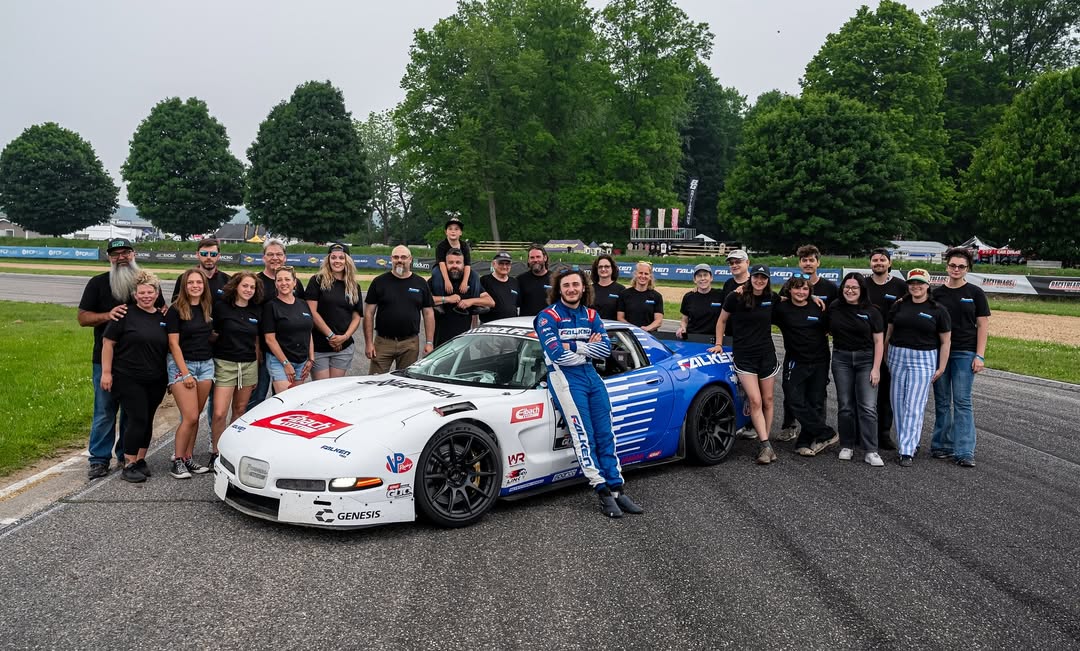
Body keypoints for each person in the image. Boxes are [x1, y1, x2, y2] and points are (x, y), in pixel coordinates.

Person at [534, 269, 643, 518]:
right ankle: (602, 491)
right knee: (585, 436)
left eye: (576, 284)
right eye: (566, 285)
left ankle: (617, 489)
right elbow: (556, 354)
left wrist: (573, 345)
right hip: (564, 378)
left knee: (606, 434)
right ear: (558, 290)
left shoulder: (592, 315)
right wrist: (586, 347)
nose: (571, 289)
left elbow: (605, 350)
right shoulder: (546, 317)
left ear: (584, 287)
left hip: (592, 377)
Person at [77, 237, 163, 479]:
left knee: (132, 413)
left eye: (125, 252)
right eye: (116, 254)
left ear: (134, 254)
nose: (121, 257)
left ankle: (128, 455)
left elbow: (161, 312)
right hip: (106, 360)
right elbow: (82, 318)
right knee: (105, 410)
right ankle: (98, 459)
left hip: (139, 364)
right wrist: (108, 315)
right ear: (109, 257)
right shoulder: (98, 283)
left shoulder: (145, 283)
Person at [100, 271, 169, 483]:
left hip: (156, 378)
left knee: (147, 419)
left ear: (157, 293)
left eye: (150, 292)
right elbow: (108, 344)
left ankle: (140, 459)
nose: (146, 296)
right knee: (137, 418)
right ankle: (128, 462)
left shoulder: (163, 318)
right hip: (128, 377)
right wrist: (106, 372)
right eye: (142, 293)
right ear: (135, 294)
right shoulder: (125, 315)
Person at [709, 264, 781, 464]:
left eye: (763, 278)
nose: (759, 281)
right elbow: (722, 320)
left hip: (766, 355)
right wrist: (718, 343)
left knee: (767, 400)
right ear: (751, 277)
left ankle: (764, 444)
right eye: (756, 277)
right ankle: (766, 445)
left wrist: (813, 298)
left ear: (768, 279)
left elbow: (794, 298)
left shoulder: (772, 298)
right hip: (744, 356)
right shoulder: (735, 297)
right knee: (755, 400)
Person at [885, 269, 952, 467]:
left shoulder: (938, 309)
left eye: (920, 283)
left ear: (928, 285)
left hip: (924, 357)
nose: (916, 286)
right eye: (912, 283)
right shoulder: (898, 305)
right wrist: (885, 357)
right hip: (897, 354)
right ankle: (907, 442)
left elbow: (945, 342)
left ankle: (906, 450)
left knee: (913, 404)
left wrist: (941, 366)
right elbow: (889, 333)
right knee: (897, 403)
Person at [931, 247, 990, 468]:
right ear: (947, 267)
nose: (956, 269)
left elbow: (983, 325)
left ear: (967, 269)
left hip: (965, 353)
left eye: (961, 266)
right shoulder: (936, 294)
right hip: (940, 353)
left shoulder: (975, 293)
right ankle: (941, 445)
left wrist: (980, 356)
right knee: (943, 401)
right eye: (953, 265)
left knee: (963, 402)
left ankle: (964, 451)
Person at [777, 244, 840, 441]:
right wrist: (810, 294)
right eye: (804, 260)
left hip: (818, 347)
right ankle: (789, 426)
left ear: (818, 262)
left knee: (817, 394)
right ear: (800, 263)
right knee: (792, 393)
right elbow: (781, 300)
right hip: (795, 348)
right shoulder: (792, 284)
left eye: (811, 260)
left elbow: (836, 310)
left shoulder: (829, 287)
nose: (808, 263)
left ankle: (816, 432)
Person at [771, 275, 838, 458]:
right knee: (793, 399)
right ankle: (825, 432)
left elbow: (830, 329)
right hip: (795, 360)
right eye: (797, 288)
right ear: (789, 290)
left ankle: (803, 442)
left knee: (815, 402)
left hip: (819, 360)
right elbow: (762, 304)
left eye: (805, 289)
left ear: (810, 292)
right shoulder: (781, 308)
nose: (801, 292)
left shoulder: (818, 307)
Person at [829, 273, 885, 466]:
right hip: (841, 359)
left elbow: (879, 341)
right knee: (845, 405)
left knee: (868, 406)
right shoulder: (834, 307)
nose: (850, 290)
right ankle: (847, 445)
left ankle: (871, 450)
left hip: (866, 360)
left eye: (854, 287)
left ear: (861, 290)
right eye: (847, 287)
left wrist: (876, 368)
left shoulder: (872, 311)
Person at [165, 268, 215, 479]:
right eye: (191, 283)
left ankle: (188, 457)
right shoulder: (176, 310)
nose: (195, 286)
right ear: (185, 286)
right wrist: (185, 373)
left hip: (206, 365)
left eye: (199, 282)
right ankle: (177, 460)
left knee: (196, 418)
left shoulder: (207, 308)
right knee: (190, 416)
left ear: (204, 286)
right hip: (182, 367)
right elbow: (173, 344)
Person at [210, 273, 263, 468]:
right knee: (219, 412)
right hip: (225, 363)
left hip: (248, 365)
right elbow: (212, 333)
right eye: (245, 286)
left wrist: (256, 365)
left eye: (252, 287)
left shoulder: (257, 310)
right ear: (236, 287)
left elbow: (257, 341)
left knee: (240, 410)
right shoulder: (221, 307)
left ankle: (230, 451)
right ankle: (215, 451)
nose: (249, 290)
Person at [364, 245, 436, 374]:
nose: (399, 260)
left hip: (410, 344)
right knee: (375, 382)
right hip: (383, 343)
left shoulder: (420, 283)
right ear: (391, 259)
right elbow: (369, 313)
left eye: (403, 257)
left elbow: (428, 313)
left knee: (405, 383)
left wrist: (429, 342)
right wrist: (369, 343)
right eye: (396, 257)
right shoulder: (379, 282)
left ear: (410, 259)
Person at [864, 248, 907, 450]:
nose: (878, 263)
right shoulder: (863, 285)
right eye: (875, 260)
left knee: (886, 393)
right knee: (864, 392)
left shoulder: (900, 286)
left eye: (882, 260)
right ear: (870, 263)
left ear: (889, 263)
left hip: (891, 346)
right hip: (864, 345)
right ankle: (862, 432)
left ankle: (883, 433)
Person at [305, 243, 364, 380]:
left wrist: (344, 337)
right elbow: (312, 312)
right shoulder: (317, 281)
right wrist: (331, 336)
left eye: (341, 258)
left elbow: (356, 316)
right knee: (321, 390)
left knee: (334, 390)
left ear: (347, 260)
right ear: (328, 259)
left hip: (344, 347)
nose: (337, 261)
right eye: (333, 257)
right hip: (320, 346)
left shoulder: (354, 286)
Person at [247, 238, 291, 411]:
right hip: (262, 351)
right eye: (270, 254)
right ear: (263, 258)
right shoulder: (255, 283)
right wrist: (255, 347)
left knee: (283, 401)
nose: (275, 258)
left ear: (285, 258)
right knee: (255, 399)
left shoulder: (292, 282)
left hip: (287, 351)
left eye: (279, 254)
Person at [263, 266, 315, 395]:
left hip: (301, 361)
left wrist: (311, 358)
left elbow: (308, 332)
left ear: (294, 282)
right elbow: (270, 339)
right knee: (285, 399)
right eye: (279, 280)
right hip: (280, 361)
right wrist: (286, 364)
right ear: (275, 284)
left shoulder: (303, 304)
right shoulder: (271, 306)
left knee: (295, 400)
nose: (283, 283)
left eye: (287, 279)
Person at [428, 248, 494, 346]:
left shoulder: (471, 282)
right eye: (451, 262)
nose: (454, 266)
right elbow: (424, 300)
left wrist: (471, 301)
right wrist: (447, 299)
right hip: (440, 342)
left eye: (458, 262)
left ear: (464, 265)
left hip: (463, 341)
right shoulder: (436, 281)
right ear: (445, 264)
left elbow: (490, 302)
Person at [677, 263, 724, 340]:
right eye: (699, 276)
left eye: (705, 275)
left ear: (711, 278)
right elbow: (684, 320)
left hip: (714, 340)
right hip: (692, 338)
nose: (702, 278)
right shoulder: (688, 297)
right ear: (695, 279)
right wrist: (683, 328)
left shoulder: (721, 295)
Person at [616, 261, 664, 332]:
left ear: (650, 276)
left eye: (646, 274)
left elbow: (658, 320)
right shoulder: (624, 294)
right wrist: (633, 329)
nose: (643, 276)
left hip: (649, 336)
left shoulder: (657, 296)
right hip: (629, 335)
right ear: (635, 274)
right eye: (640, 273)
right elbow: (620, 317)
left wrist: (647, 329)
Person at [479, 251, 520, 323]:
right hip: (491, 326)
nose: (504, 267)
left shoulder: (514, 282)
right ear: (494, 264)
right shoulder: (484, 280)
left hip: (511, 325)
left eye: (507, 264)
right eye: (501, 263)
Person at [436, 216, 472, 295]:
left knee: (475, 275)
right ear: (446, 232)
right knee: (436, 273)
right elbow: (441, 263)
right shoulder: (441, 246)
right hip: (444, 268)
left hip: (459, 268)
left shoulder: (464, 246)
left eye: (456, 229)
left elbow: (467, 264)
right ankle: (439, 301)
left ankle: (474, 301)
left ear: (461, 232)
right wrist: (447, 280)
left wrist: (465, 281)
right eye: (450, 229)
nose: (453, 231)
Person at [517, 244, 552, 317]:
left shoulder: (555, 279)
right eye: (532, 257)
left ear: (545, 258)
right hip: (526, 324)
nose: (535, 260)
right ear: (528, 260)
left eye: (538, 257)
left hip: (550, 323)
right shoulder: (520, 280)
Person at [589, 254, 624, 321]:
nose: (603, 269)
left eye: (607, 266)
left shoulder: (621, 290)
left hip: (612, 330)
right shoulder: (590, 289)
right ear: (596, 269)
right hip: (592, 329)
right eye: (600, 267)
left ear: (612, 268)